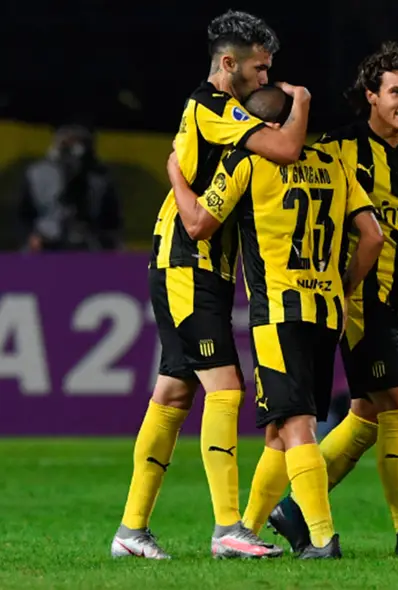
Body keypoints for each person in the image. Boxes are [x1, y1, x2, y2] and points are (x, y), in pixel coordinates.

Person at [111, 10, 311, 560]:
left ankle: (131, 532)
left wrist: (177, 174)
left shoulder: (221, 112)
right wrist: (303, 103)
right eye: (260, 68)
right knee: (224, 388)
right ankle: (228, 528)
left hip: (199, 262)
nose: (267, 79)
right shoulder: (213, 106)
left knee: (174, 392)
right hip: (186, 261)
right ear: (230, 64)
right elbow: (285, 149)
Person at [168, 85, 385, 559]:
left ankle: (323, 538)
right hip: (327, 310)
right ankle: (245, 528)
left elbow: (198, 224)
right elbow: (372, 236)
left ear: (263, 129)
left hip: (279, 314)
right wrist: (342, 287)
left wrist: (177, 178)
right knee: (279, 431)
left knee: (295, 424)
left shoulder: (248, 162)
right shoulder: (336, 163)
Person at [267, 41, 398, 557]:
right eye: (396, 92)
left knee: (368, 414)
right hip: (357, 304)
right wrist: (339, 291)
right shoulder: (337, 150)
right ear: (371, 95)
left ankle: (294, 509)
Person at [16, 124, 122, 252]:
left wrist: (110, 243)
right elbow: (23, 213)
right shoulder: (36, 173)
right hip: (46, 244)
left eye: (80, 140)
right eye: (68, 139)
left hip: (89, 245)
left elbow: (111, 220)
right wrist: (30, 237)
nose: (74, 146)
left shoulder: (100, 178)